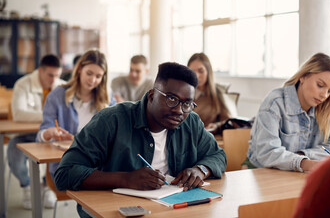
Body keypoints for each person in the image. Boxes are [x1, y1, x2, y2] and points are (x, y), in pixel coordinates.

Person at [54, 62, 226, 217]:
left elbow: (218, 156)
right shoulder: (111, 120)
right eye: (172, 99)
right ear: (152, 95)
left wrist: (201, 169)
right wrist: (126, 179)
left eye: (187, 103)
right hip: (113, 211)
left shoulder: (191, 122)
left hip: (168, 209)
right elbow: (65, 173)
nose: (180, 111)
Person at [247, 53, 330, 172]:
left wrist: (302, 156)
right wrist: (306, 163)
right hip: (261, 171)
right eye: (320, 85)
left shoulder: (324, 108)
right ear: (303, 76)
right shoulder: (274, 103)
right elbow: (267, 153)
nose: (324, 95)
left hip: (296, 172)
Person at [36, 49, 112, 180]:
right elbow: (40, 136)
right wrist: (49, 133)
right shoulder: (56, 96)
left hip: (99, 165)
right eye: (89, 73)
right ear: (79, 69)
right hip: (67, 166)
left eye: (98, 76)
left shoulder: (107, 99)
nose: (93, 80)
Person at [7, 54, 65, 209]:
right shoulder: (22, 84)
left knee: (62, 154)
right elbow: (19, 113)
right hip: (26, 135)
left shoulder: (63, 86)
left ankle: (48, 187)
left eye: (58, 76)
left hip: (53, 137)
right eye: (50, 75)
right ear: (40, 70)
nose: (54, 80)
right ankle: (27, 185)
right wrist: (49, 116)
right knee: (14, 155)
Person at [187, 53, 231, 134]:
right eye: (192, 71)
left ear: (208, 72)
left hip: (207, 138)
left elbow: (228, 121)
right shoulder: (183, 93)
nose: (196, 75)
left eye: (201, 71)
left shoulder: (217, 93)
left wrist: (216, 126)